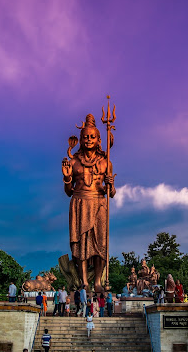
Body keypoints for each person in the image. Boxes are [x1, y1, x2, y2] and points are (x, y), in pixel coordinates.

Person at [62, 114, 115, 293]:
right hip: (80, 203)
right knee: (81, 245)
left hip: (99, 203)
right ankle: (84, 281)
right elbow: (68, 192)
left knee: (101, 245)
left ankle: (98, 281)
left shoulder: (106, 162)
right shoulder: (74, 162)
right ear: (81, 139)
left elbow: (112, 194)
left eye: (92, 137)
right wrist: (67, 177)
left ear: (99, 139)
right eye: (86, 137)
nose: (89, 140)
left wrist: (110, 184)